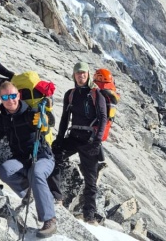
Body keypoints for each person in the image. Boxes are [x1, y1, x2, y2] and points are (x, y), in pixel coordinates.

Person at [0, 81, 57, 238]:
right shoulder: (2, 119)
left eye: (12, 95)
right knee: (4, 171)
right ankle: (29, 194)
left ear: (18, 95)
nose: (10, 100)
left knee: (36, 173)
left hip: (42, 156)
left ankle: (49, 219)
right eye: (5, 97)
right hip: (21, 160)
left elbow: (49, 120)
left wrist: (45, 121)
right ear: (1, 99)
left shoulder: (31, 112)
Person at [48, 62, 107, 225]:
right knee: (54, 158)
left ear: (87, 75)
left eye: (83, 73)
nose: (81, 76)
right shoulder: (70, 94)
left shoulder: (97, 94)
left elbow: (103, 118)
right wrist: (59, 138)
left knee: (91, 179)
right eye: (78, 73)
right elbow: (65, 118)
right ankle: (56, 197)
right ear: (74, 75)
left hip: (89, 140)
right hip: (74, 136)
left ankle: (89, 216)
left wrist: (97, 140)